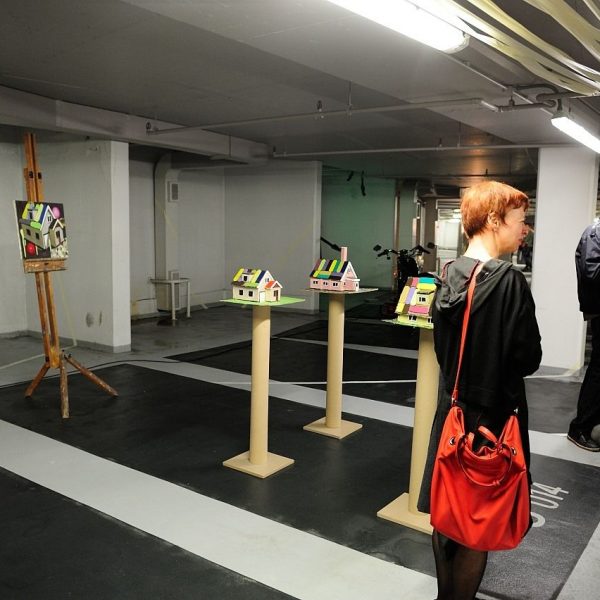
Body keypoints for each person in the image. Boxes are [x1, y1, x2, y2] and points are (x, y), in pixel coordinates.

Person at [418, 181, 542, 600]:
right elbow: (528, 358)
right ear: (493, 220)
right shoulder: (509, 281)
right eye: (520, 220)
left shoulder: (447, 274)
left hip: (451, 413)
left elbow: (444, 352)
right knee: (476, 525)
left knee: (448, 514)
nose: (524, 229)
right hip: (492, 421)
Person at [568, 223, 600, 451]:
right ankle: (580, 427)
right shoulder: (595, 232)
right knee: (599, 370)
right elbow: (592, 272)